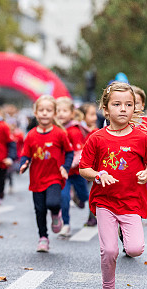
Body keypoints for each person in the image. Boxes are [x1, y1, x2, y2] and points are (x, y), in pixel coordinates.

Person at [79, 82, 147, 289]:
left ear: (135, 109)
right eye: (117, 104)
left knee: (134, 249)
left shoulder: (142, 138)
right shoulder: (97, 138)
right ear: (105, 109)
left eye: (128, 104)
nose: (123, 109)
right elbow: (84, 169)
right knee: (110, 250)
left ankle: (124, 233)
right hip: (105, 202)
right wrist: (98, 174)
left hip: (132, 202)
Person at [20, 95, 73, 252]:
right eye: (41, 110)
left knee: (53, 203)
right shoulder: (31, 135)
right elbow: (26, 154)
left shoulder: (59, 133)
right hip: (36, 179)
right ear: (35, 113)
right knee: (40, 210)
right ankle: (43, 238)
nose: (44, 113)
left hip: (55, 177)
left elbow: (69, 152)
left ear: (54, 114)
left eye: (48, 110)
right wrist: (24, 164)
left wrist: (65, 167)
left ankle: (56, 214)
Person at [56, 97, 88, 237]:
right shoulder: (54, 130)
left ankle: (79, 197)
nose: (61, 114)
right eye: (58, 111)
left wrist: (69, 165)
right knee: (63, 197)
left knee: (84, 196)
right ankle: (66, 224)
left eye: (64, 111)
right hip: (62, 172)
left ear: (72, 113)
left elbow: (79, 153)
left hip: (76, 170)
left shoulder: (74, 131)